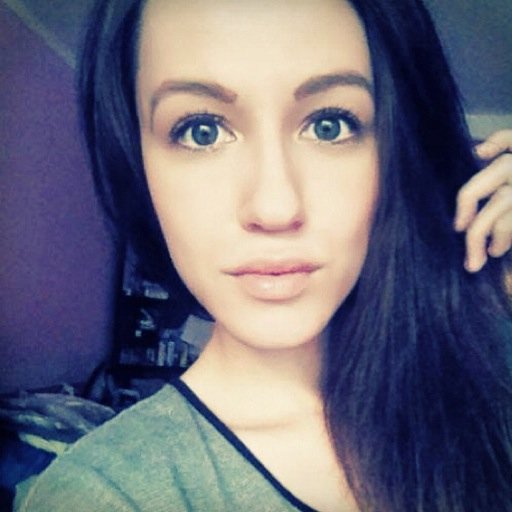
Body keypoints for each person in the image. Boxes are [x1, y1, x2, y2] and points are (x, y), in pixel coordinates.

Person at [16, 0, 512, 511]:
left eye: (329, 125)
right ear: (136, 164)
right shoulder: (101, 495)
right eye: (202, 130)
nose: (275, 208)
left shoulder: (485, 385)